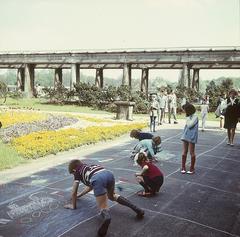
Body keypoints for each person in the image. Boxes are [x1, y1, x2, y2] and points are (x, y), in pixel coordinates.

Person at [64, 160, 144, 237]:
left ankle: (107, 218)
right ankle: (137, 209)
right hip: (108, 174)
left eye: (72, 173)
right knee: (111, 196)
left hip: (97, 179)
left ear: (74, 169)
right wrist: (80, 195)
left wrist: (73, 206)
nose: (73, 175)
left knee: (103, 207)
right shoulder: (89, 167)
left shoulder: (77, 172)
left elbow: (74, 191)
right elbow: (90, 186)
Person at [181, 103, 198, 174]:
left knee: (192, 152)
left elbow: (190, 125)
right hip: (186, 135)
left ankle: (192, 168)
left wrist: (187, 118)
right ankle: (183, 167)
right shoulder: (188, 117)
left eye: (185, 110)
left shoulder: (195, 117)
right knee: (184, 152)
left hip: (192, 136)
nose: (184, 112)